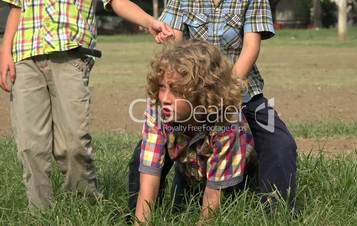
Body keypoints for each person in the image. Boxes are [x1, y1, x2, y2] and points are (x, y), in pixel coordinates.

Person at [0, 0, 173, 210]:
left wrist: (149, 22)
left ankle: (84, 208)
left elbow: (116, 2)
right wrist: (5, 51)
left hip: (70, 55)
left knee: (73, 143)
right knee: (30, 144)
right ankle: (39, 212)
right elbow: (16, 7)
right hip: (25, 56)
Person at [158, 0, 298, 207]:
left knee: (281, 145)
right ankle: (141, 211)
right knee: (149, 150)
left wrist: (223, 92)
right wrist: (195, 95)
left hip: (243, 93)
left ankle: (277, 213)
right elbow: (175, 49)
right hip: (190, 96)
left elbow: (251, 47)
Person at [134, 40, 255, 224]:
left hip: (234, 184)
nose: (165, 99)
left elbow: (214, 196)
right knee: (179, 211)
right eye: (162, 87)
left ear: (202, 94)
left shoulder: (227, 124)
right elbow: (148, 183)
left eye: (175, 90)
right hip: (192, 175)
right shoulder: (158, 112)